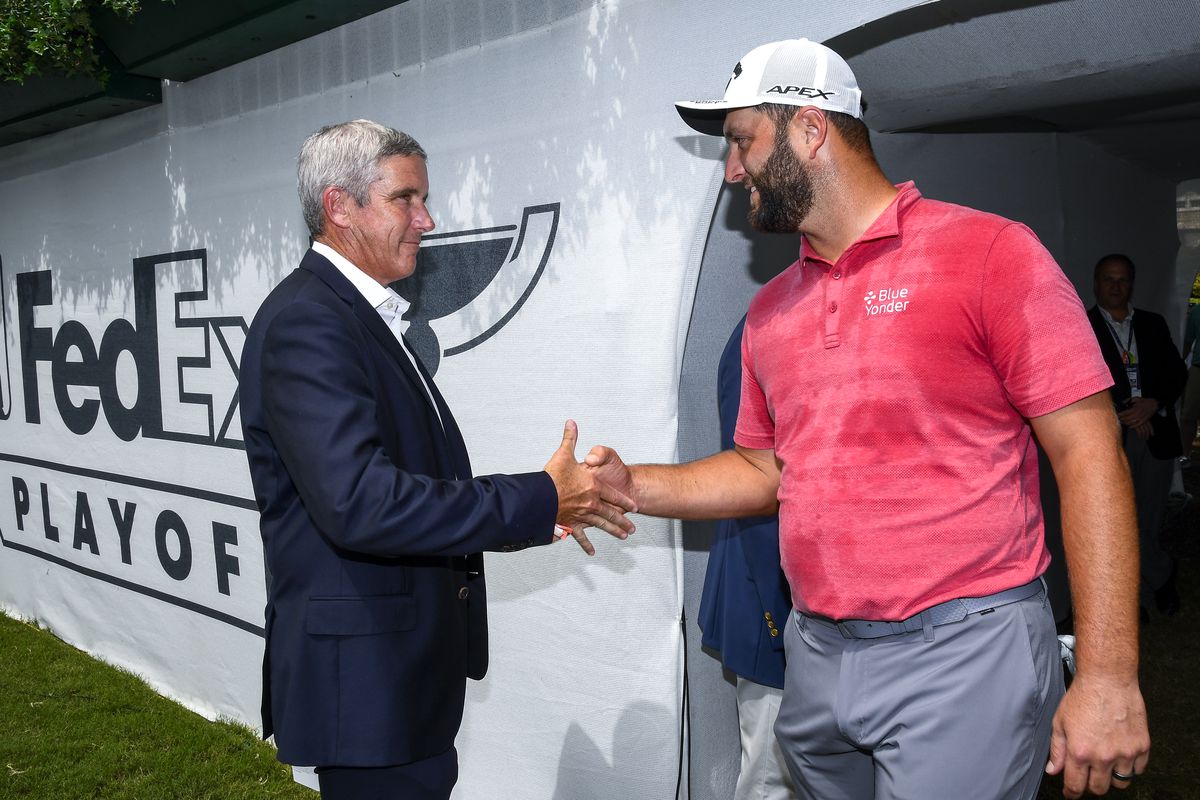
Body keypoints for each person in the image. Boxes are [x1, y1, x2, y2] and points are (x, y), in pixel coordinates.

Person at [586, 39, 1149, 800]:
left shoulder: (991, 252)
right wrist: (632, 486)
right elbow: (765, 469)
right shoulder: (769, 310)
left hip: (965, 651)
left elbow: (1088, 452)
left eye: (741, 141)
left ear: (811, 130)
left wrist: (1110, 677)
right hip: (817, 656)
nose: (730, 171)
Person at [239, 119, 635, 800]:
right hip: (368, 689)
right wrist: (540, 497)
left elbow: (409, 489)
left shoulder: (351, 316)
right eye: (406, 199)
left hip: (394, 680)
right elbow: (362, 504)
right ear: (340, 207)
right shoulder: (311, 321)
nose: (427, 218)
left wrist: (548, 508)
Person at [699, 315, 795, 800]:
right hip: (768, 599)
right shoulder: (768, 325)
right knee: (770, 779)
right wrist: (781, 622)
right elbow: (751, 481)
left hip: (810, 612)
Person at [1087, 253, 1188, 617]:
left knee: (1148, 516)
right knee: (1118, 520)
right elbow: (1084, 382)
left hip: (1156, 434)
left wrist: (1154, 403)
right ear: (1096, 283)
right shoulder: (1081, 327)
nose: (1116, 287)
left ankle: (1145, 589)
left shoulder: (1152, 324)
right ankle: (1157, 581)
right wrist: (1129, 412)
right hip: (1111, 438)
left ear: (1132, 284)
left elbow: (1177, 374)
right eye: (1108, 279)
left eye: (1123, 279)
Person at [1180, 300, 1200, 464]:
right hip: (1198, 368)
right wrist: (1178, 366)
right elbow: (1187, 341)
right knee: (1188, 415)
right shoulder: (1197, 311)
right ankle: (1186, 454)